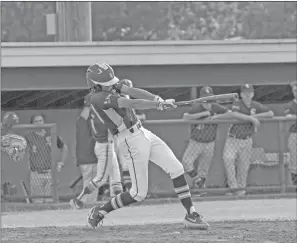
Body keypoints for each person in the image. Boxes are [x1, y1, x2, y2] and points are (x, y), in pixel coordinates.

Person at [85, 62, 209, 230]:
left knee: (176, 169)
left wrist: (157, 99)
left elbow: (132, 92)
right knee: (138, 193)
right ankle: (100, 211)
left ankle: (191, 214)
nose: (111, 85)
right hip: (128, 140)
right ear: (95, 84)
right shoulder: (97, 98)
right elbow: (129, 103)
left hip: (142, 132)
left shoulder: (112, 86)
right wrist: (157, 105)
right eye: (106, 84)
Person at [223, 84, 274, 196]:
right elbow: (234, 114)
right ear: (241, 94)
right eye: (245, 93)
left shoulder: (255, 105)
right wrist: (250, 118)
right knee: (228, 159)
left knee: (244, 166)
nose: (247, 95)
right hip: (233, 138)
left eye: (249, 93)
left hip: (247, 140)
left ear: (253, 94)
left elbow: (270, 113)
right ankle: (233, 188)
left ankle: (241, 189)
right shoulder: (237, 103)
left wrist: (256, 117)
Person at [182, 86, 232, 189]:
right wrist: (204, 113)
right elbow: (185, 117)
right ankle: (197, 181)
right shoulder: (197, 108)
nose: (207, 100)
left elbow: (230, 114)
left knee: (204, 170)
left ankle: (200, 189)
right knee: (186, 162)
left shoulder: (215, 107)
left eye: (209, 97)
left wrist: (216, 116)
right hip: (196, 142)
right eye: (205, 97)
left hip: (210, 142)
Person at [26, 114, 68, 203]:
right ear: (32, 124)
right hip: (35, 173)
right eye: (36, 121)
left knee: (50, 201)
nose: (39, 123)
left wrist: (61, 162)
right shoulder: (29, 137)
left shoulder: (51, 134)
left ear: (44, 122)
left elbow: (64, 148)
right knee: (37, 202)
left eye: (40, 121)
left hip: (50, 173)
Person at [70, 94, 98, 209]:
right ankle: (82, 203)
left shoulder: (87, 121)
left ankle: (89, 204)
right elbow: (85, 114)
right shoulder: (82, 121)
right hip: (87, 157)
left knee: (94, 182)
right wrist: (89, 103)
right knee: (91, 181)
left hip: (92, 156)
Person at [285, 81, 297, 185]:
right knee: (294, 160)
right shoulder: (291, 104)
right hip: (295, 134)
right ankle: (295, 183)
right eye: (295, 90)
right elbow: (288, 117)